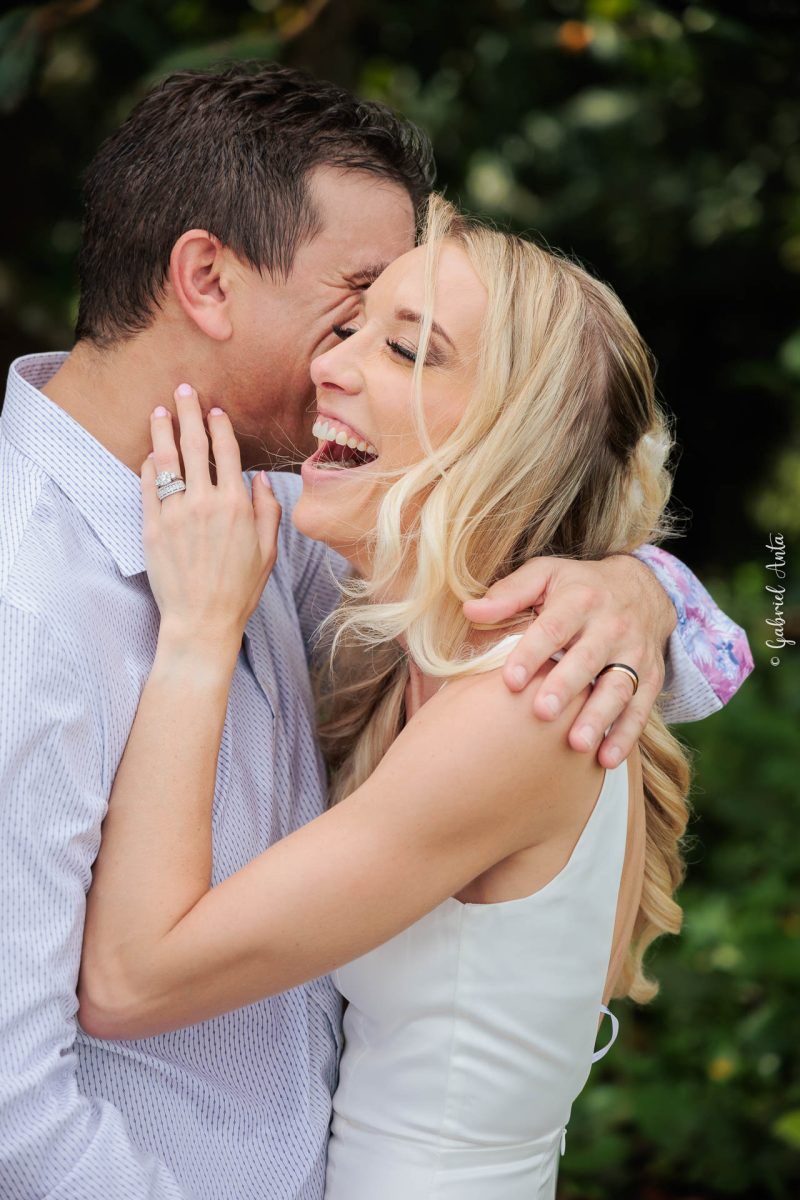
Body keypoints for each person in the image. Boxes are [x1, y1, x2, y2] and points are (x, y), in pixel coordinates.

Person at [0, 64, 752, 1200]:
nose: (341, 363)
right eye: (350, 309)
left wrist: (633, 586)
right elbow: (18, 1115)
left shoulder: (286, 515)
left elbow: (673, 614)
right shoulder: (27, 610)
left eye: (390, 336)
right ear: (205, 277)